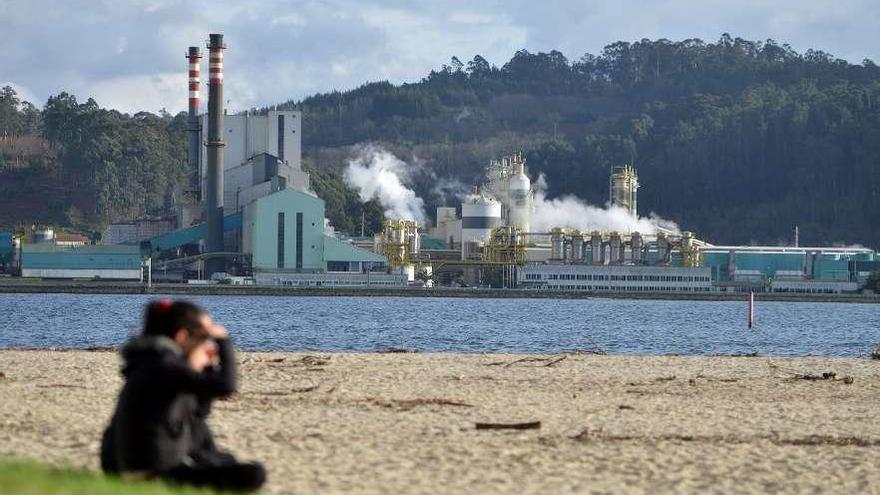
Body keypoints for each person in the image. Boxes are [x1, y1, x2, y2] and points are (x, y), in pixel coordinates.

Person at [100, 299, 265, 492]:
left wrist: (207, 367)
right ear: (182, 337)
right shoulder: (164, 366)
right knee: (254, 474)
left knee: (224, 460)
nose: (209, 347)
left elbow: (198, 417)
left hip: (133, 467)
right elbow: (226, 386)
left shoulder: (152, 364)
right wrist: (224, 341)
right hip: (154, 472)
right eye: (205, 339)